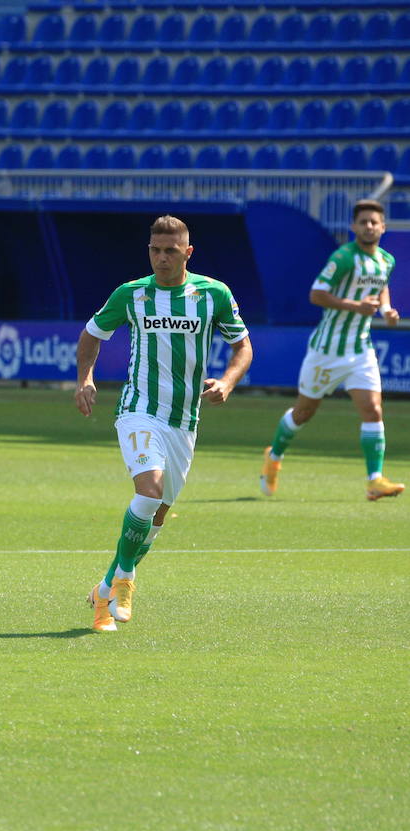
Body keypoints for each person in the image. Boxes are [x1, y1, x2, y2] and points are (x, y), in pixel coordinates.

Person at [75, 215, 253, 633]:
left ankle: (104, 589)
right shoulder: (131, 294)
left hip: (184, 420)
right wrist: (85, 379)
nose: (161, 258)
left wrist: (227, 381)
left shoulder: (213, 294)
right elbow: (91, 334)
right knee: (149, 490)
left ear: (187, 252)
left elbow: (242, 345)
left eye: (170, 250)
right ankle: (127, 579)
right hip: (139, 410)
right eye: (155, 250)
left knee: (158, 514)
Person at [260, 199, 402, 501]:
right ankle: (274, 456)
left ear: (383, 227)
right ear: (354, 227)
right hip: (327, 350)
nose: (369, 226)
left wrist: (386, 310)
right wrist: (356, 306)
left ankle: (374, 480)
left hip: (360, 349)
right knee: (303, 413)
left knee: (373, 409)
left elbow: (380, 288)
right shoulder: (344, 257)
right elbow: (316, 294)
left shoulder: (386, 261)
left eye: (374, 222)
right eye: (363, 221)